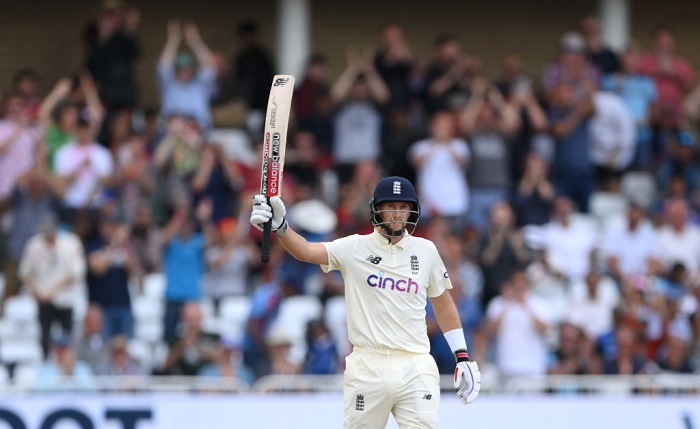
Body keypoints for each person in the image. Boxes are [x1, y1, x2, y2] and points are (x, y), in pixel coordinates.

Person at [250, 176, 481, 428]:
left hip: (416, 364)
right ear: (377, 209)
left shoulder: (426, 250)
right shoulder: (355, 247)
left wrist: (462, 356)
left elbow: (443, 304)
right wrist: (281, 226)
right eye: (391, 206)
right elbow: (306, 250)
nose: (397, 214)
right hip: (368, 364)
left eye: (403, 208)